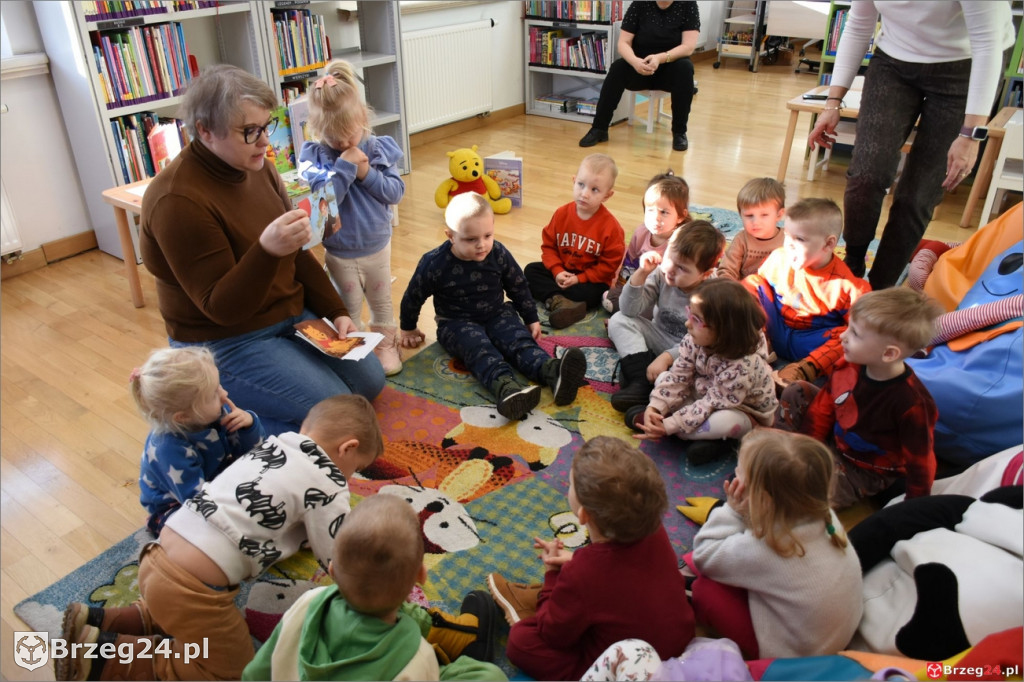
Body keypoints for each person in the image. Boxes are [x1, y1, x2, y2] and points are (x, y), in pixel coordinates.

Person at [56, 395, 383, 681]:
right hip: (193, 588)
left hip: (159, 553)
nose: (351, 478)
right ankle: (102, 657)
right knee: (229, 669)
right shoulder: (329, 482)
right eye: (356, 468)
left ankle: (104, 619)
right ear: (347, 448)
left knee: (171, 609)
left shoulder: (274, 444)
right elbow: (338, 555)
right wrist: (367, 591)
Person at [140, 64, 385, 436]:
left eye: (265, 126)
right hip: (227, 339)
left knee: (370, 382)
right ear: (205, 130)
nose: (264, 141)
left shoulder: (258, 167)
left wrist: (336, 312)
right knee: (337, 412)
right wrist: (266, 251)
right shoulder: (177, 200)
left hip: (287, 313)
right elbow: (221, 308)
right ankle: (227, 425)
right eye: (249, 131)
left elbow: (299, 255)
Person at [806, 2, 1015, 290]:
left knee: (917, 196)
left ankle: (880, 289)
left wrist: (970, 135)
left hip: (967, 64)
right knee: (867, 175)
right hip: (893, 61)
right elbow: (858, 24)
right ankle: (852, 265)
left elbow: (987, 44)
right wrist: (832, 102)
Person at [492, 436, 695, 681]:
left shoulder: (584, 572)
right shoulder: (653, 528)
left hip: (627, 665)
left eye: (569, 484)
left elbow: (553, 635)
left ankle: (535, 604)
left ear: (583, 514)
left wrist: (553, 576)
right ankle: (557, 602)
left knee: (521, 642)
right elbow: (623, 574)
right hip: (678, 639)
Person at [241, 494, 507, 681]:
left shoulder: (306, 602)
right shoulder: (417, 658)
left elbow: (255, 674)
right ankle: (460, 638)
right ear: (421, 576)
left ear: (331, 570)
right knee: (489, 676)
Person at [399, 192, 588, 422]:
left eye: (487, 235)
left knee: (517, 339)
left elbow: (518, 284)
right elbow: (413, 295)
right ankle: (507, 389)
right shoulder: (433, 263)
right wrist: (408, 328)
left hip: (497, 313)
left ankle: (552, 371)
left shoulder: (497, 252)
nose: (481, 245)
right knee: (480, 348)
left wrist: (530, 318)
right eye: (471, 239)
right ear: (450, 236)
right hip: (455, 323)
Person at [685, 430, 863, 659]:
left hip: (793, 654)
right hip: (829, 635)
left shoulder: (771, 546)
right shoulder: (822, 513)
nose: (733, 478)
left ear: (764, 499)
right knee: (718, 560)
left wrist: (731, 511)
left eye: (739, 476)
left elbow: (704, 555)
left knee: (705, 589)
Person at [777, 288, 942, 508]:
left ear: (888, 354)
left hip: (866, 471)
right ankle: (780, 451)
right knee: (796, 390)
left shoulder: (912, 404)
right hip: (835, 441)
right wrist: (807, 450)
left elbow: (920, 460)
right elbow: (822, 409)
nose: (843, 336)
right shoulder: (848, 366)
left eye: (854, 333)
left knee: (804, 495)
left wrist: (913, 506)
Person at [298, 59, 406, 376]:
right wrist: (346, 168)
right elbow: (327, 204)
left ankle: (386, 344)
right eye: (335, 138)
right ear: (318, 131)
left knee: (381, 301)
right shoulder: (314, 157)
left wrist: (365, 171)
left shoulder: (377, 148)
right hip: (340, 250)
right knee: (347, 306)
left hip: (377, 244)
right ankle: (356, 351)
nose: (345, 144)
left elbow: (394, 193)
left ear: (363, 118)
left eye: (351, 135)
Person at [629, 279, 778, 467]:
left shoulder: (742, 366)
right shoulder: (695, 338)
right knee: (663, 379)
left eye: (697, 319)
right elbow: (678, 376)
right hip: (706, 391)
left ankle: (698, 434)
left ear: (725, 331)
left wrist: (671, 424)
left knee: (722, 423)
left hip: (741, 410)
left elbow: (712, 403)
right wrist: (655, 407)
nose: (687, 323)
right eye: (690, 313)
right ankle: (692, 433)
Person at [131, 347, 265, 535]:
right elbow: (198, 504)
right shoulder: (168, 449)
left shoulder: (212, 413)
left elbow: (254, 455)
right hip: (177, 505)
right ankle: (157, 526)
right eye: (213, 394)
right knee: (202, 534)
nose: (224, 394)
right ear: (183, 417)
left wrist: (248, 426)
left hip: (215, 482)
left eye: (219, 385)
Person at [744, 198, 871, 388]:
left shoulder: (848, 287)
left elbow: (862, 331)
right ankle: (757, 345)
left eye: (800, 239)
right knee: (749, 284)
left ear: (828, 244)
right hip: (774, 330)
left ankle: (802, 370)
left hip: (813, 343)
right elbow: (759, 288)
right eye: (787, 235)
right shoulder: (779, 258)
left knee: (854, 334)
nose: (789, 245)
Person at [607, 220, 725, 412]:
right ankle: (641, 381)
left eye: (682, 268)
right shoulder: (663, 274)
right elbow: (629, 310)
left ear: (705, 274)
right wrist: (641, 274)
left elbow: (705, 344)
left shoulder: (713, 293)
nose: (670, 269)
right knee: (619, 319)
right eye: (669, 258)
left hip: (692, 353)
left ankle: (645, 384)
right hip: (660, 337)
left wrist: (668, 357)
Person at [579, 1, 700, 152]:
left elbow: (688, 47)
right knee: (617, 68)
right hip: (640, 66)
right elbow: (623, 43)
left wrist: (659, 58)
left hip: (670, 66)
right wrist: (635, 62)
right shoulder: (639, 4)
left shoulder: (688, 5)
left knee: (685, 68)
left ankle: (679, 132)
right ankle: (599, 129)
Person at [524, 154, 625, 329]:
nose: (584, 194)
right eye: (581, 184)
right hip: (562, 271)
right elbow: (548, 246)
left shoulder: (611, 228)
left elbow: (608, 267)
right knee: (531, 271)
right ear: (574, 181)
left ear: (607, 195)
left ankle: (555, 298)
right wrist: (556, 271)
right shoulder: (562, 214)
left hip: (588, 280)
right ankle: (560, 301)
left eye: (594, 190)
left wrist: (580, 279)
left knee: (598, 293)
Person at [603, 170, 690, 314]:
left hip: (666, 296)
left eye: (664, 212)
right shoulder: (641, 233)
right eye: (650, 210)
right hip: (640, 286)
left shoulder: (681, 242)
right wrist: (621, 289)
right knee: (608, 297)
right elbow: (629, 265)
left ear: (681, 216)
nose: (656, 218)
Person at [717, 178, 787, 281]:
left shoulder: (789, 240)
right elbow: (727, 269)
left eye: (764, 215)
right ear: (740, 215)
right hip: (744, 291)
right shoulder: (741, 239)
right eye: (749, 215)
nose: (756, 222)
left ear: (779, 215)